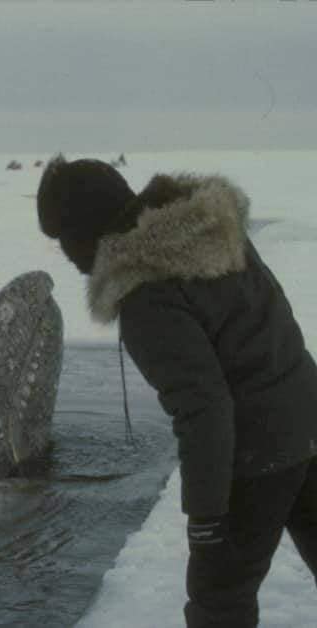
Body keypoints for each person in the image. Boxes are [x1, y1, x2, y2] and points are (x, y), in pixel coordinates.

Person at [36, 155, 317, 628]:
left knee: (219, 599)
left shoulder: (147, 297)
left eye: (65, 242)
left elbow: (204, 410)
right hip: (309, 414)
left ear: (85, 236)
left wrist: (206, 516)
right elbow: (278, 324)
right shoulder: (213, 232)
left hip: (258, 452)